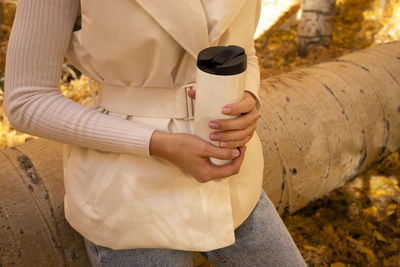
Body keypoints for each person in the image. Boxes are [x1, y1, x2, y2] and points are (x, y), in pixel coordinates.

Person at [4, 0, 307, 266]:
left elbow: (245, 52)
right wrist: (158, 144)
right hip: (130, 191)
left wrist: (249, 98)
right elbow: (27, 100)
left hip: (234, 180)